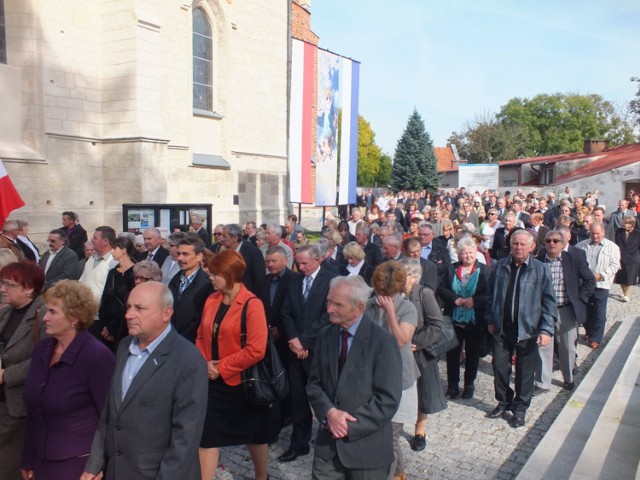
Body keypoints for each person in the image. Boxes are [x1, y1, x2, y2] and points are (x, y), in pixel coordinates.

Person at [81, 282, 208, 480]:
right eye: (129, 307)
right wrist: (95, 463)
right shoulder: (124, 347)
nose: (129, 314)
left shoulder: (188, 360)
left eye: (139, 308)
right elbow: (110, 412)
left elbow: (185, 438)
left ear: (166, 313)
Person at [306, 275, 402, 480]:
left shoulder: (383, 342)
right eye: (328, 302)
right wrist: (330, 413)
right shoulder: (325, 335)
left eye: (337, 304)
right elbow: (314, 384)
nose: (329, 309)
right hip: (328, 449)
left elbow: (388, 399)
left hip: (367, 453)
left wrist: (349, 426)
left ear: (359, 308)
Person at [21, 280, 115, 480]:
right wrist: (28, 457)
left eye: (52, 312)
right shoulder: (42, 350)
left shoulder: (97, 357)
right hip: (41, 461)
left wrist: (98, 465)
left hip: (78, 466)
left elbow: (109, 418)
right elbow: (33, 412)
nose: (44, 318)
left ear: (74, 318)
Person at [196, 250, 269, 480]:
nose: (210, 277)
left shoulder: (252, 304)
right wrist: (204, 363)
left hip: (241, 382)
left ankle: (261, 476)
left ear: (229, 274)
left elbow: (256, 349)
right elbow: (200, 336)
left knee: (253, 434)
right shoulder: (211, 299)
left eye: (215, 274)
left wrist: (221, 367)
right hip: (211, 381)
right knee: (206, 436)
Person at [485, 230, 557, 428]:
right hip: (502, 328)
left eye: (522, 244)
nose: (518, 247)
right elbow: (490, 296)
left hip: (529, 330)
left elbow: (549, 302)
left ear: (532, 247)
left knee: (525, 373)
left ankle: (520, 409)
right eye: (515, 243)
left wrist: (546, 329)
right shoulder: (500, 266)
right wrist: (490, 319)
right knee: (499, 368)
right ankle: (503, 401)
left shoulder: (541, 270)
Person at [279, 244, 337, 463]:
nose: (300, 267)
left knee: (325, 396)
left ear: (317, 261)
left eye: (304, 263)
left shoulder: (331, 280)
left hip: (319, 350)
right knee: (298, 399)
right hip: (295, 350)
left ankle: (330, 440)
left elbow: (328, 315)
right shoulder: (294, 280)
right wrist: (294, 341)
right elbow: (286, 313)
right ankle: (299, 443)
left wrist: (305, 342)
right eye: (298, 262)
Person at [365, 262, 419, 480]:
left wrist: (389, 312)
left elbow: (400, 340)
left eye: (387, 293)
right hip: (374, 378)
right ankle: (399, 473)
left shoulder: (407, 308)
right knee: (381, 434)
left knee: (390, 435)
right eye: (379, 292)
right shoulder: (369, 305)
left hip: (400, 379)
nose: (382, 296)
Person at [0, 261, 46, 480]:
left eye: (9, 285)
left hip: (21, 406)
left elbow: (46, 357)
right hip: (4, 403)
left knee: (11, 467)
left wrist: (6, 375)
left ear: (28, 288)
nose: (2, 289)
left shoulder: (44, 313)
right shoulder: (6, 312)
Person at [534, 230, 595, 393]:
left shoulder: (573, 258)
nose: (551, 244)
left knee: (567, 348)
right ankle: (542, 383)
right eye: (548, 241)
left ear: (562, 244)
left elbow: (589, 280)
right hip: (545, 311)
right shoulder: (538, 260)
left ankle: (568, 378)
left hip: (566, 309)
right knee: (543, 347)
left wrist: (580, 299)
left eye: (555, 241)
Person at [400, 258, 445, 453]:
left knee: (422, 392)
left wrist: (416, 343)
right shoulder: (397, 294)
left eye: (402, 275)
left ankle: (420, 431)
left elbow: (436, 324)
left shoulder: (424, 293)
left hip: (419, 354)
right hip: (399, 353)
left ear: (413, 277)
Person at [439, 236, 491, 400]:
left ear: (476, 252)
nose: (468, 256)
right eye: (464, 253)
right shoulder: (451, 269)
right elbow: (441, 288)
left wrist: (474, 301)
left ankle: (469, 384)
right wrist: (454, 298)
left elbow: (490, 294)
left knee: (472, 353)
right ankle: (453, 385)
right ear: (459, 254)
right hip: (454, 318)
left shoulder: (486, 270)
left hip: (475, 320)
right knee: (452, 354)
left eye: (471, 252)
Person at [575, 223, 621, 348]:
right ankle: (589, 331)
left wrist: (602, 275)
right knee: (585, 310)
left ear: (603, 233)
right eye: (593, 233)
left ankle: (596, 337)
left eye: (598, 233)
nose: (595, 236)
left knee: (599, 312)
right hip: (585, 284)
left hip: (601, 283)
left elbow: (615, 265)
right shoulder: (581, 246)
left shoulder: (612, 247)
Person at [168, 234, 213, 342]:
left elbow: (201, 318)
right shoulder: (175, 280)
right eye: (179, 254)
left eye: (185, 254)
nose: (180, 258)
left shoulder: (207, 284)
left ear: (199, 256)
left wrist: (182, 340)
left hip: (192, 342)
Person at [98, 237, 137, 349]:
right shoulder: (112, 272)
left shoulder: (133, 273)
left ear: (123, 250)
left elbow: (128, 303)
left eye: (115, 249)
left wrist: (111, 328)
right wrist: (104, 326)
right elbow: (105, 298)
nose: (111, 251)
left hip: (122, 324)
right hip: (106, 322)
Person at [79, 226, 117, 304]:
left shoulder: (114, 262)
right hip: (84, 309)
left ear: (105, 241)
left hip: (101, 309)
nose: (92, 240)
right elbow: (81, 282)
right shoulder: (90, 259)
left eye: (95, 238)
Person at [614, 216, 640, 302]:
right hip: (621, 258)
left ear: (631, 224)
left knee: (630, 278)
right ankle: (625, 292)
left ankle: (627, 296)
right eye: (623, 222)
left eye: (625, 223)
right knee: (621, 278)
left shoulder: (638, 233)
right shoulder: (618, 232)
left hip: (633, 259)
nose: (623, 224)